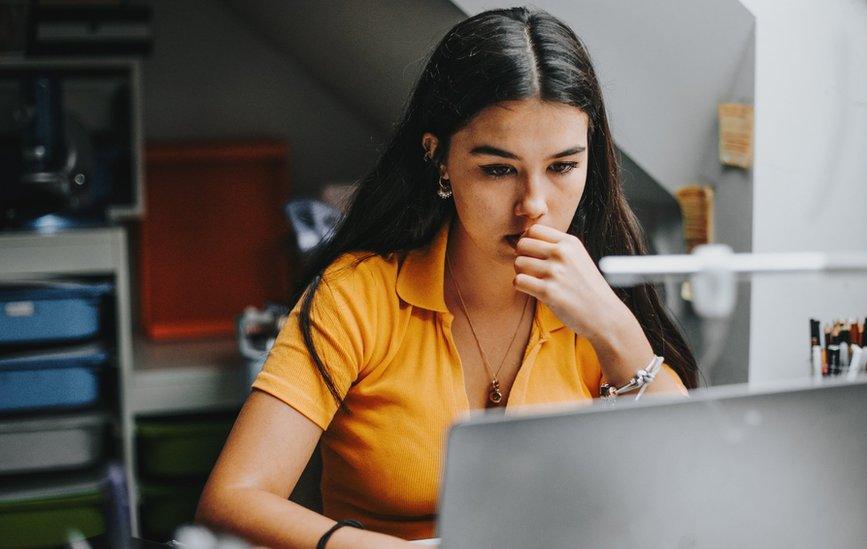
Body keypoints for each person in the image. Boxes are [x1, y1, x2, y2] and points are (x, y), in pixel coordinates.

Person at [196, 6, 699, 548]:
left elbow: (686, 483)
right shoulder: (357, 295)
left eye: (562, 167)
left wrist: (613, 328)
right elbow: (230, 501)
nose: (534, 205)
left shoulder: (598, 298)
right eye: (498, 169)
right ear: (439, 159)